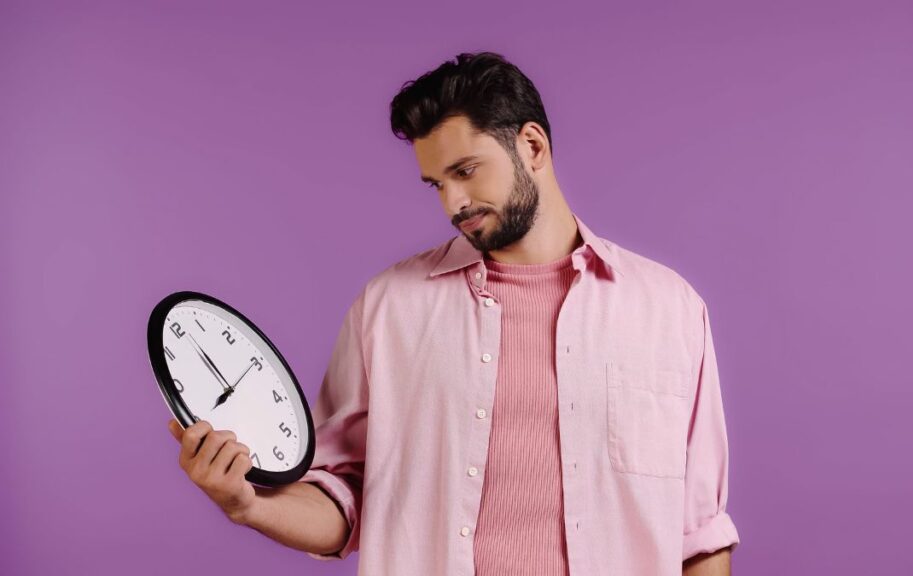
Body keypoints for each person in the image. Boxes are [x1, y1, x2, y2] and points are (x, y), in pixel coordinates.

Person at [168, 51, 739, 575]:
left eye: (465, 171)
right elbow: (341, 501)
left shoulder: (668, 309)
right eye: (436, 184)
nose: (453, 203)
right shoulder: (389, 308)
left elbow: (701, 534)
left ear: (532, 147)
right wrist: (246, 504)